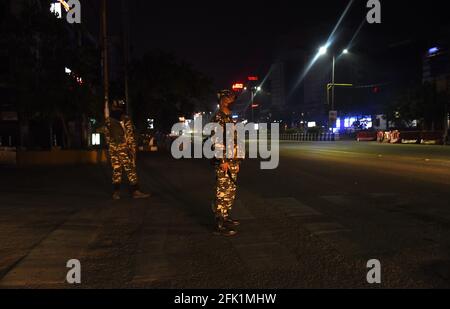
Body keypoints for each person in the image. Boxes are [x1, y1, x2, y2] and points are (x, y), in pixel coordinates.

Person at [104, 99, 150, 200]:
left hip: (112, 148)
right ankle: (135, 191)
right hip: (123, 147)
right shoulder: (125, 117)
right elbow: (129, 135)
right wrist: (132, 148)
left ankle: (116, 193)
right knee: (130, 169)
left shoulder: (108, 120)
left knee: (117, 169)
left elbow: (107, 136)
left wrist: (111, 146)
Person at [211, 90, 242, 237]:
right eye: (228, 98)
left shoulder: (228, 117)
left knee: (230, 191)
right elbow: (216, 140)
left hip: (232, 160)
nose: (231, 101)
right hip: (224, 161)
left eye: (232, 98)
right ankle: (220, 223)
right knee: (222, 192)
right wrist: (222, 160)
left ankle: (226, 216)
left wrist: (237, 159)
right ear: (222, 100)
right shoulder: (218, 117)